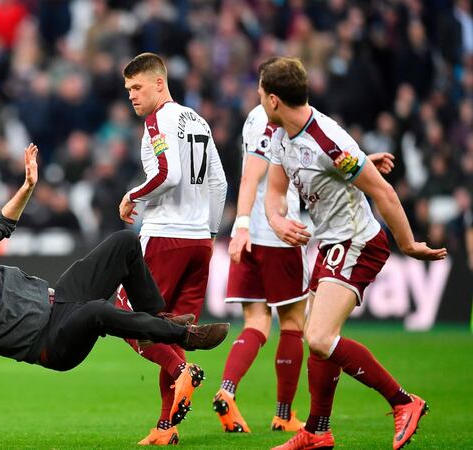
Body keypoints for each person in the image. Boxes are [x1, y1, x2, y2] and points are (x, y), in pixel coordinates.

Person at [0, 143, 231, 449]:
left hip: (59, 300)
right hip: (50, 344)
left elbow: (2, 223)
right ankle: (186, 335)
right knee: (98, 311)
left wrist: (28, 187)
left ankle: (162, 324)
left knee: (124, 243)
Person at [257, 57, 446, 450]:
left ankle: (403, 401)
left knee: (321, 336)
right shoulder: (279, 135)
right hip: (331, 241)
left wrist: (408, 245)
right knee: (319, 339)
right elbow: (274, 191)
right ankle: (317, 432)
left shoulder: (327, 140)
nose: (258, 100)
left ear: (273, 99)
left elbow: (384, 192)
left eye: (260, 94)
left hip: (358, 241)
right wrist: (277, 222)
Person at [216, 106, 397, 434]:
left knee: (256, 322)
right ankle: (283, 414)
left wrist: (241, 225)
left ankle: (227, 389)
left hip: (249, 234)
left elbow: (305, 164)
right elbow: (278, 172)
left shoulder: (253, 119)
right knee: (293, 324)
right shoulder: (285, 121)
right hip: (280, 234)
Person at [116, 52, 227, 445]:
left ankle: (182, 370)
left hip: (166, 237)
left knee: (126, 315)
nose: (131, 95)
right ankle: (167, 428)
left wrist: (132, 196)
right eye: (128, 89)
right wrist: (210, 235)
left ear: (159, 83)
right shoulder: (197, 120)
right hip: (198, 241)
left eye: (137, 87)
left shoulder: (157, 120)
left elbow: (167, 174)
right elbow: (220, 183)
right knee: (173, 330)